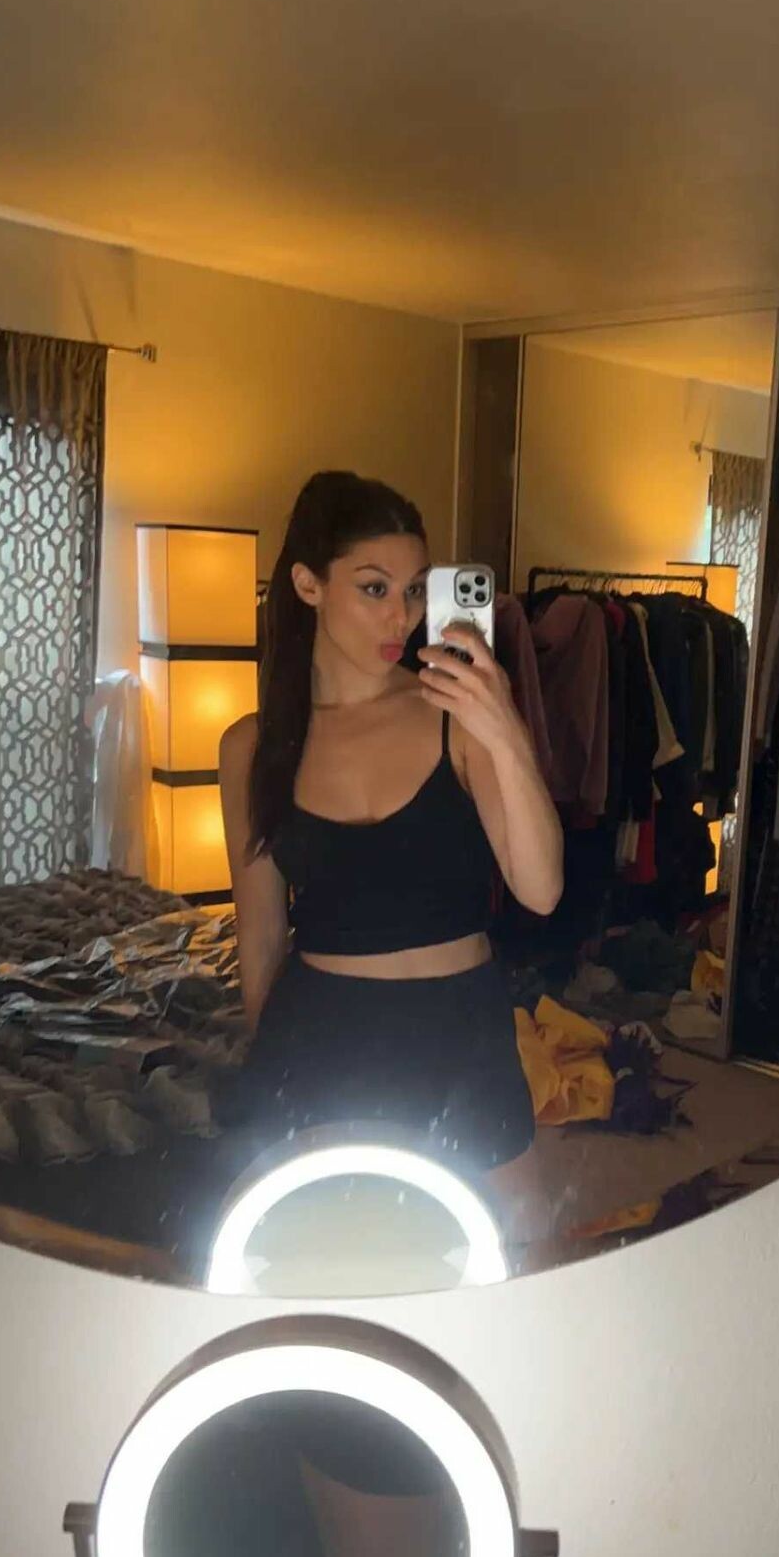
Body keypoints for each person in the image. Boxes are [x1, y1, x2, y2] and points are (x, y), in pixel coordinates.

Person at [219, 469, 563, 1203]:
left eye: (413, 590)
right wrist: (268, 1070)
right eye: (374, 588)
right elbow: (261, 939)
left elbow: (541, 890)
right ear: (308, 584)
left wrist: (504, 729)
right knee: (322, 1251)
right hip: (318, 1034)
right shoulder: (252, 746)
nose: (400, 617)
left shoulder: (454, 718)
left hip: (460, 1032)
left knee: (510, 1255)